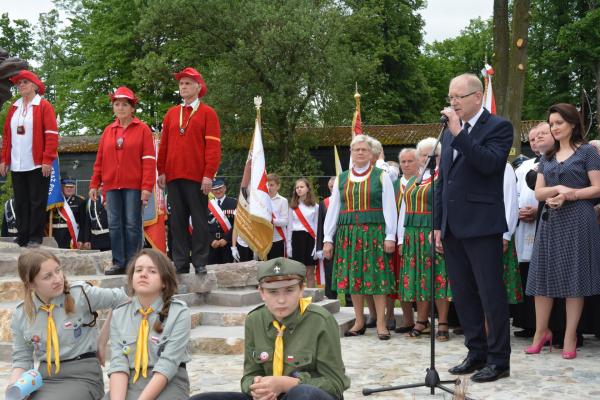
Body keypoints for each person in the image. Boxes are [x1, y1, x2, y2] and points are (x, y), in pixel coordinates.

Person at [434, 73, 512, 382]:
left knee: (490, 294)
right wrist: (438, 225)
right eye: (450, 97)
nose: (452, 102)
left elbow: (489, 164)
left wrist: (459, 133)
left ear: (477, 97)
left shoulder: (499, 127)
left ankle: (499, 360)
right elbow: (443, 180)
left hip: (482, 226)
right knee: (463, 294)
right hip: (452, 227)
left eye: (458, 97)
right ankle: (475, 351)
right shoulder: (450, 132)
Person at [190, 257, 350, 400]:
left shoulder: (320, 320)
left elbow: (335, 384)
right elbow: (249, 376)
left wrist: (286, 384)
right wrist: (257, 386)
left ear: (301, 289)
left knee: (303, 394)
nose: (281, 300)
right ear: (261, 293)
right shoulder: (254, 320)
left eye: (289, 290)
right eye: (272, 292)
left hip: (308, 396)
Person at [525, 103, 600, 360]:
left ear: (572, 123)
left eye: (558, 123)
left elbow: (597, 188)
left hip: (579, 219)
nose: (554, 127)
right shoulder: (547, 157)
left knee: (574, 278)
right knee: (542, 277)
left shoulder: (588, 152)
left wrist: (571, 194)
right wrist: (559, 193)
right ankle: (541, 332)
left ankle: (570, 335)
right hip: (551, 219)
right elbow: (539, 192)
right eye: (552, 123)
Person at [9, 249, 128, 399]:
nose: (58, 279)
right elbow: (22, 358)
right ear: (31, 284)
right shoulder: (22, 314)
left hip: (83, 375)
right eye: (48, 276)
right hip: (45, 378)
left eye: (58, 271)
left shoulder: (80, 294)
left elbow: (123, 299)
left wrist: (102, 341)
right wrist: (13, 387)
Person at [323, 134, 397, 340]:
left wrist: (390, 235)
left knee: (377, 279)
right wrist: (328, 238)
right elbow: (334, 210)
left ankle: (381, 323)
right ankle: (359, 320)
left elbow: (389, 207)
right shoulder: (342, 178)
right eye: (357, 150)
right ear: (352, 153)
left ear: (371, 154)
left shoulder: (381, 176)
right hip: (348, 235)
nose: (361, 153)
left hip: (374, 233)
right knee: (354, 279)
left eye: (364, 150)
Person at [157, 67, 221, 275]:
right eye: (181, 84)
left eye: (187, 83)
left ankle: (200, 260)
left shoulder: (208, 113)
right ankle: (180, 262)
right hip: (174, 175)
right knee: (176, 222)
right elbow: (164, 144)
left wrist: (208, 174)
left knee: (200, 220)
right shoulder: (171, 113)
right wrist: (161, 170)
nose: (183, 87)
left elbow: (213, 147)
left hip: (197, 176)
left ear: (198, 87)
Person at [104, 248, 190, 399]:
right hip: (131, 380)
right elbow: (119, 364)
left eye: (152, 271)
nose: (143, 274)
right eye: (138, 270)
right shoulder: (119, 314)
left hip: (167, 382)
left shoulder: (179, 313)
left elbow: (168, 365)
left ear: (164, 281)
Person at [90, 86, 156, 275]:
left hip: (134, 186)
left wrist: (146, 187)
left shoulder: (142, 129)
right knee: (115, 225)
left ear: (132, 108)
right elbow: (100, 160)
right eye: (117, 104)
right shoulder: (108, 131)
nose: (120, 108)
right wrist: (95, 183)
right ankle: (119, 262)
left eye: (124, 104)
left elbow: (149, 161)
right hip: (111, 186)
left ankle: (134, 263)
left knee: (132, 224)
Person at [397, 138, 451, 341]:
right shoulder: (411, 180)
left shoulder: (443, 178)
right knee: (419, 278)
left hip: (432, 233)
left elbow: (447, 209)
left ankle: (443, 321)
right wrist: (401, 239)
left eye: (432, 155)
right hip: (412, 234)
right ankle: (422, 320)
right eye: (424, 155)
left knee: (438, 277)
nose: (427, 158)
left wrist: (444, 234)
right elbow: (404, 210)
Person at [1, 69, 58, 247]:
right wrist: (4, 159)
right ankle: (22, 235)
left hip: (37, 163)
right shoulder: (14, 107)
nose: (20, 86)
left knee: (37, 201)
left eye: (24, 82)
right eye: (18, 83)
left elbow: (51, 134)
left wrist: (47, 159)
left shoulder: (44, 105)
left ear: (34, 85)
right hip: (17, 163)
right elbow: (7, 135)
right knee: (21, 202)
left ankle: (35, 236)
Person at [512, 125, 542, 338]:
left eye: (538, 137)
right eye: (531, 139)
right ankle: (527, 321)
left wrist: (537, 211)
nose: (534, 142)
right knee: (525, 272)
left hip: (542, 221)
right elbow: (515, 192)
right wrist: (518, 212)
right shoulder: (524, 166)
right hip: (523, 225)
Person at [392, 148, 419, 334]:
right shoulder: (393, 185)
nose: (407, 165)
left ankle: (422, 318)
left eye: (410, 161)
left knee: (418, 277)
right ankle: (407, 318)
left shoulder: (422, 181)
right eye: (403, 161)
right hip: (396, 238)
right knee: (400, 280)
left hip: (418, 236)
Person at [287, 178, 319, 287]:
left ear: (308, 188)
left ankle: (311, 298)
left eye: (301, 187)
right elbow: (289, 228)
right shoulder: (292, 207)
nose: (299, 189)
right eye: (297, 187)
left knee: (310, 272)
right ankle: (297, 298)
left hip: (310, 238)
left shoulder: (315, 207)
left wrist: (316, 246)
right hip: (296, 239)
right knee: (297, 273)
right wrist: (289, 246)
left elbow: (316, 227)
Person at [316, 176, 337, 299]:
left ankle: (350, 302)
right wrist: (319, 247)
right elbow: (320, 226)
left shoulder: (347, 202)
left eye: (335, 186)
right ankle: (330, 299)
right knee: (329, 273)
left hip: (345, 241)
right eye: (331, 187)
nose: (333, 188)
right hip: (329, 243)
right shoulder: (324, 203)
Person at [51, 177, 86, 249]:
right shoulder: (54, 200)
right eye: (67, 187)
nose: (69, 189)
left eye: (71, 187)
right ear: (62, 187)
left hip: (70, 233)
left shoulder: (80, 201)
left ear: (75, 188)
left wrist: (80, 239)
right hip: (54, 233)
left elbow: (83, 223)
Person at [208, 178, 236, 264]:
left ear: (225, 188)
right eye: (215, 189)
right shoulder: (207, 205)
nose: (218, 191)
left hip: (228, 244)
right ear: (211, 191)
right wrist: (211, 240)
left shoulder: (234, 203)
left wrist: (226, 239)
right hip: (212, 245)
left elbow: (237, 225)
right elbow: (203, 226)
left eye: (220, 188)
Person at [81, 185, 111, 251]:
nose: (101, 188)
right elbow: (87, 222)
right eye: (99, 186)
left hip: (109, 238)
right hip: (95, 239)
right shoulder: (89, 201)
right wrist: (87, 240)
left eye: (103, 185)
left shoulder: (112, 199)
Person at [266, 173, 288, 259]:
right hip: (263, 240)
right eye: (267, 185)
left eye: (271, 185)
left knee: (277, 268)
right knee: (264, 269)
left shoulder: (283, 201)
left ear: (278, 186)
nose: (269, 187)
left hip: (277, 239)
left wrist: (271, 221)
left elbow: (285, 221)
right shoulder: (261, 200)